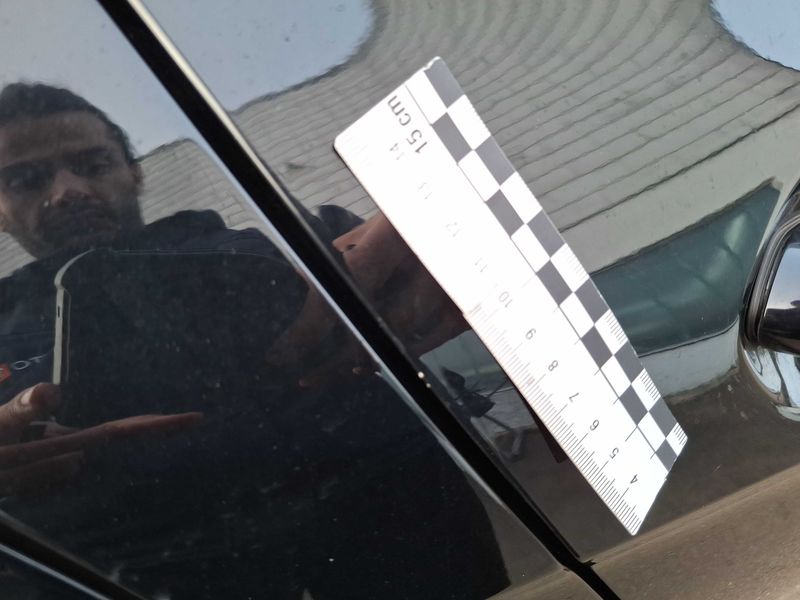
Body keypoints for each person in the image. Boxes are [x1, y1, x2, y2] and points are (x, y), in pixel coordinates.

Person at [0, 83, 508, 599]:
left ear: (135, 172)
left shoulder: (289, 248)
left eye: (93, 164)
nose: (68, 189)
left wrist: (456, 249)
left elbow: (472, 264)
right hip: (140, 575)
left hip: (399, 534)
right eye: (25, 179)